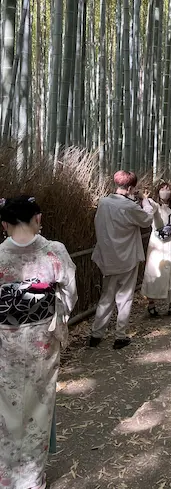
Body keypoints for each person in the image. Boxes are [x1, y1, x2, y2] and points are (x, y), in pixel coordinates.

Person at [0, 196, 77, 489]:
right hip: (41, 340)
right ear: (38, 219)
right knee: (39, 408)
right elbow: (70, 294)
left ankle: (6, 477)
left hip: (5, 340)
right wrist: (59, 317)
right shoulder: (53, 252)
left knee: (5, 409)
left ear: (4, 224)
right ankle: (32, 479)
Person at [89, 170, 155, 349]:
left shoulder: (103, 203)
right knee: (124, 297)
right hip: (126, 257)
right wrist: (145, 201)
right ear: (131, 187)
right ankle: (120, 336)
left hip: (107, 257)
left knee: (106, 296)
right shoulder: (130, 207)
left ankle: (96, 334)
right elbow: (147, 220)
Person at [142, 181, 171, 317]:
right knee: (154, 271)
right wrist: (145, 198)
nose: (165, 191)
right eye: (162, 189)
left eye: (167, 189)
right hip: (157, 244)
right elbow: (151, 206)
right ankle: (151, 303)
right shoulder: (156, 206)